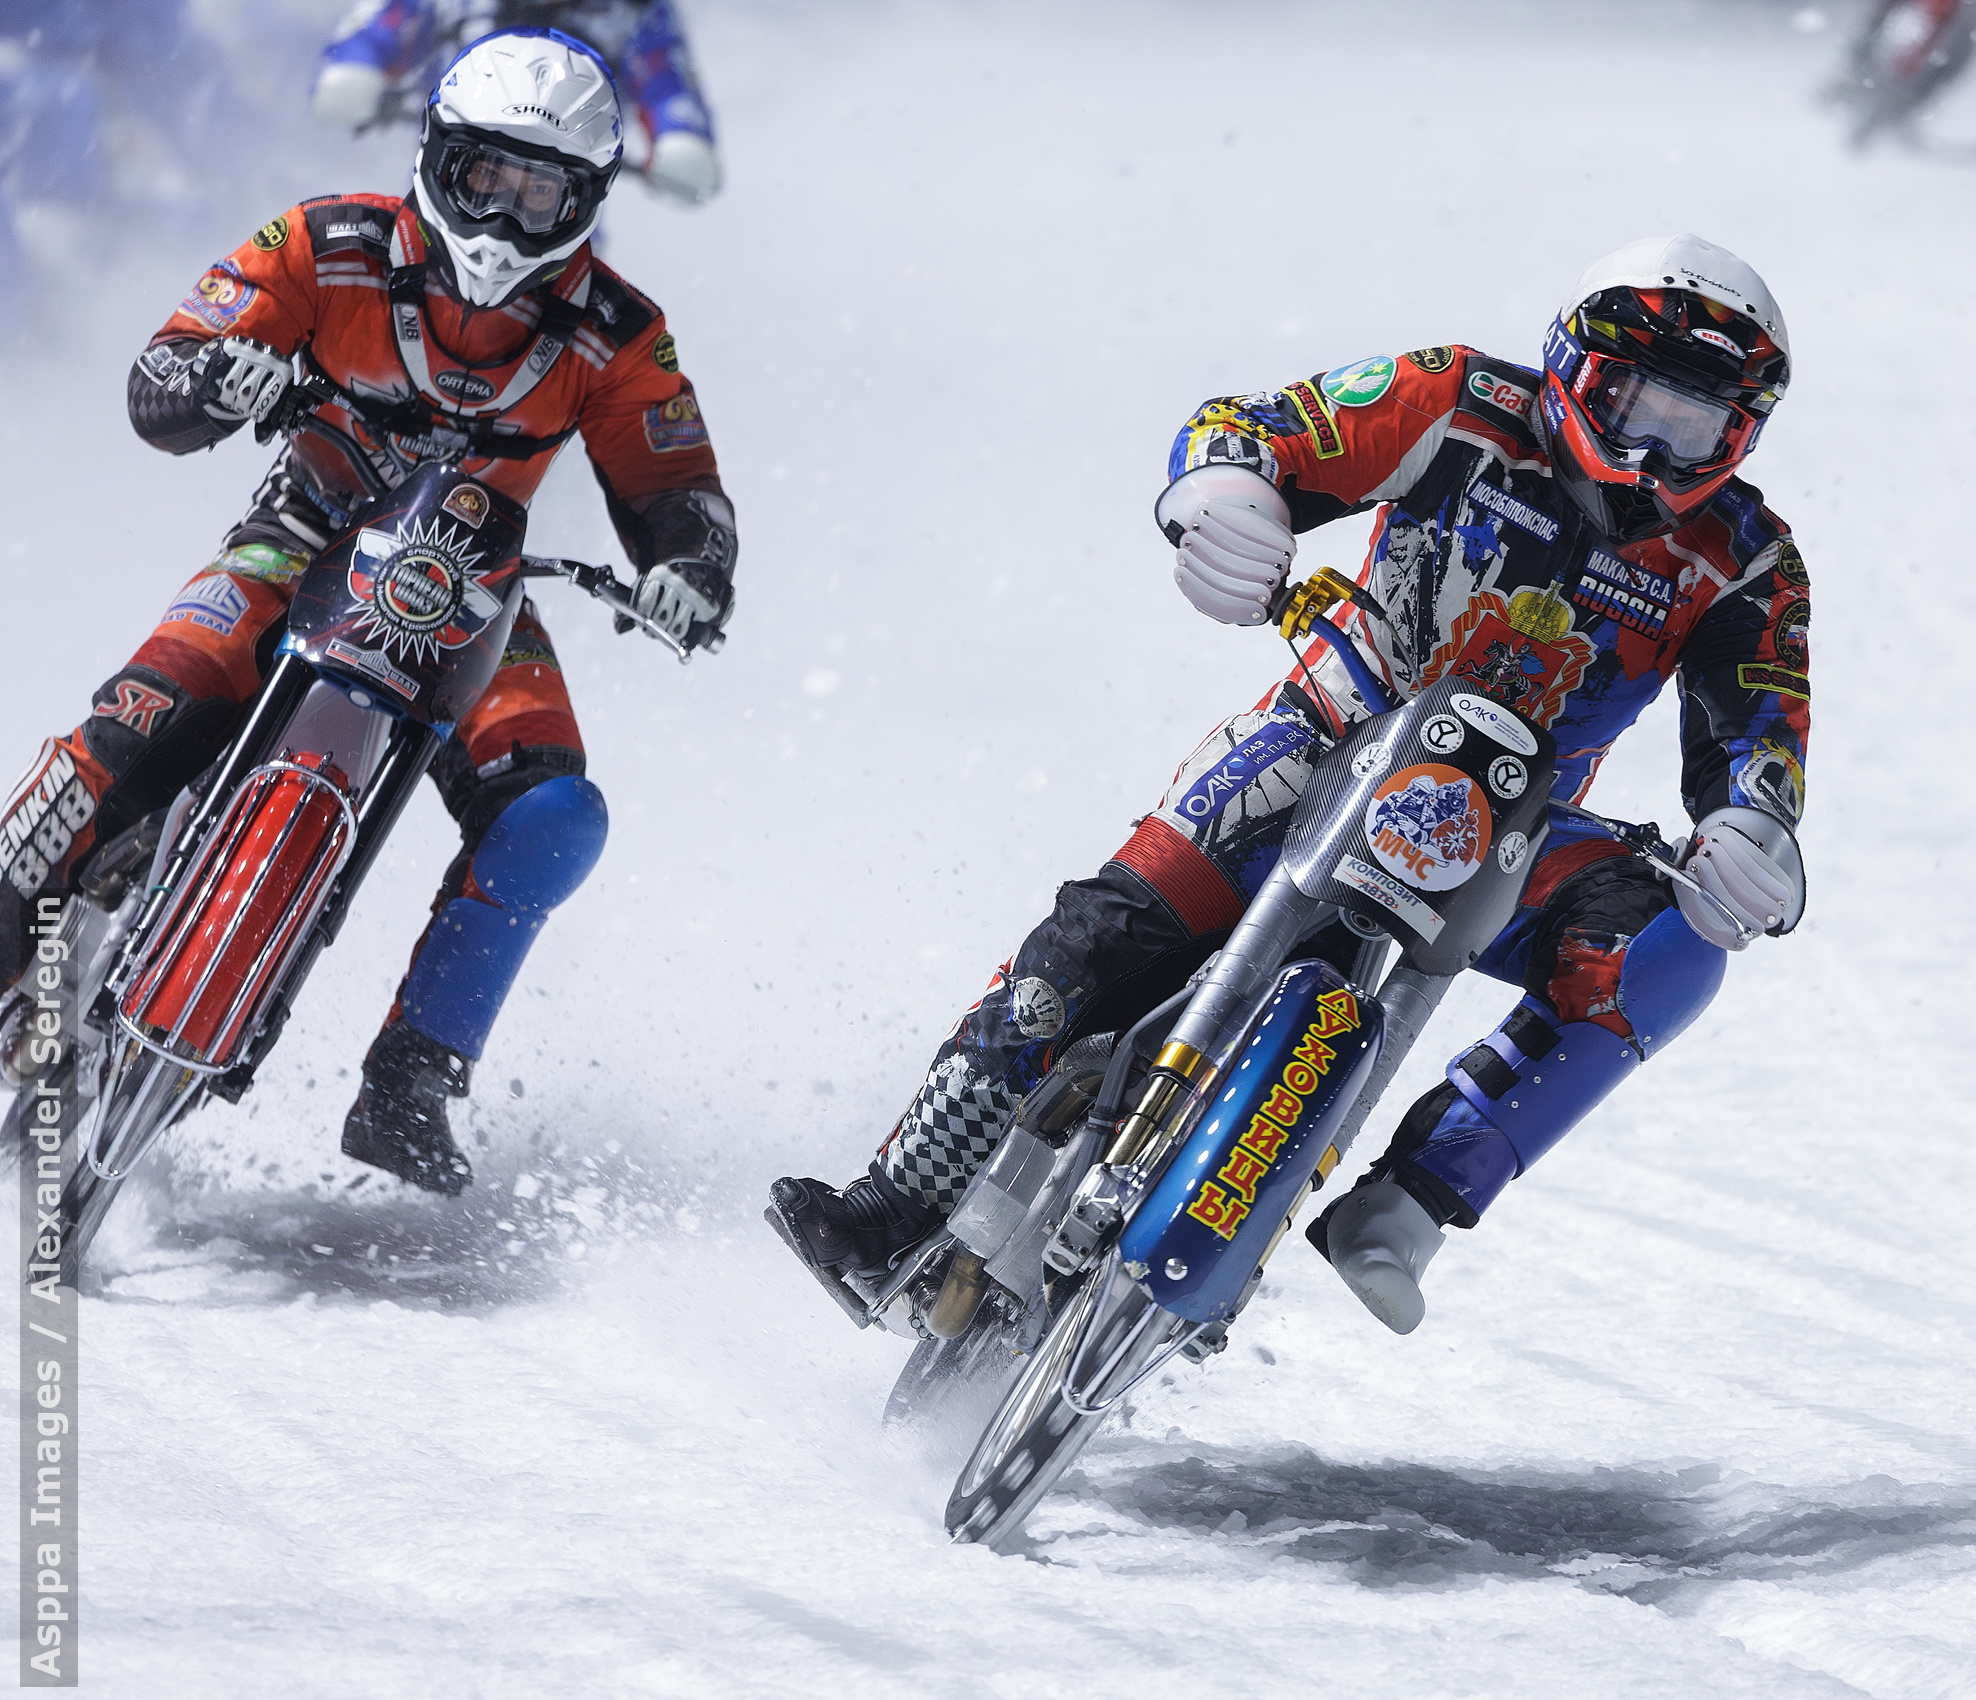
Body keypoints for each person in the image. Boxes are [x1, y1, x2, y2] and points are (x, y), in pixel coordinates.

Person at [771, 234, 1809, 1334]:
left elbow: (1764, 726)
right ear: (1572, 365)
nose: (1654, 450)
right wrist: (1230, 495)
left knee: (1675, 951)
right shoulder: (1459, 400)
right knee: (1097, 939)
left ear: (1739, 436)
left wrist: (1754, 826)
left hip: (1513, 828)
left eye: (1694, 425)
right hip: (1325, 737)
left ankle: (1409, 1203)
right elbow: (1254, 427)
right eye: (1637, 401)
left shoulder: (1747, 557)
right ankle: (895, 1201)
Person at [0, 29, 737, 1194]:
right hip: (292, 541)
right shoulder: (321, 241)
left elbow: (678, 482)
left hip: (470, 590)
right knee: (140, 722)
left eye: (538, 192)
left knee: (551, 815)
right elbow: (164, 370)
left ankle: (410, 1080)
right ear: (436, 155)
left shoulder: (620, 332)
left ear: (587, 202)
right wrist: (215, 377)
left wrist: (689, 567)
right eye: (483, 176)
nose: (501, 217)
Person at [310, 1, 721, 205]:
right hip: (447, 174)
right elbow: (379, 28)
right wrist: (355, 67)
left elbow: (668, 82)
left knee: (575, 298)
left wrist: (681, 137)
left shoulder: (633, 11)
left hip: (564, 194)